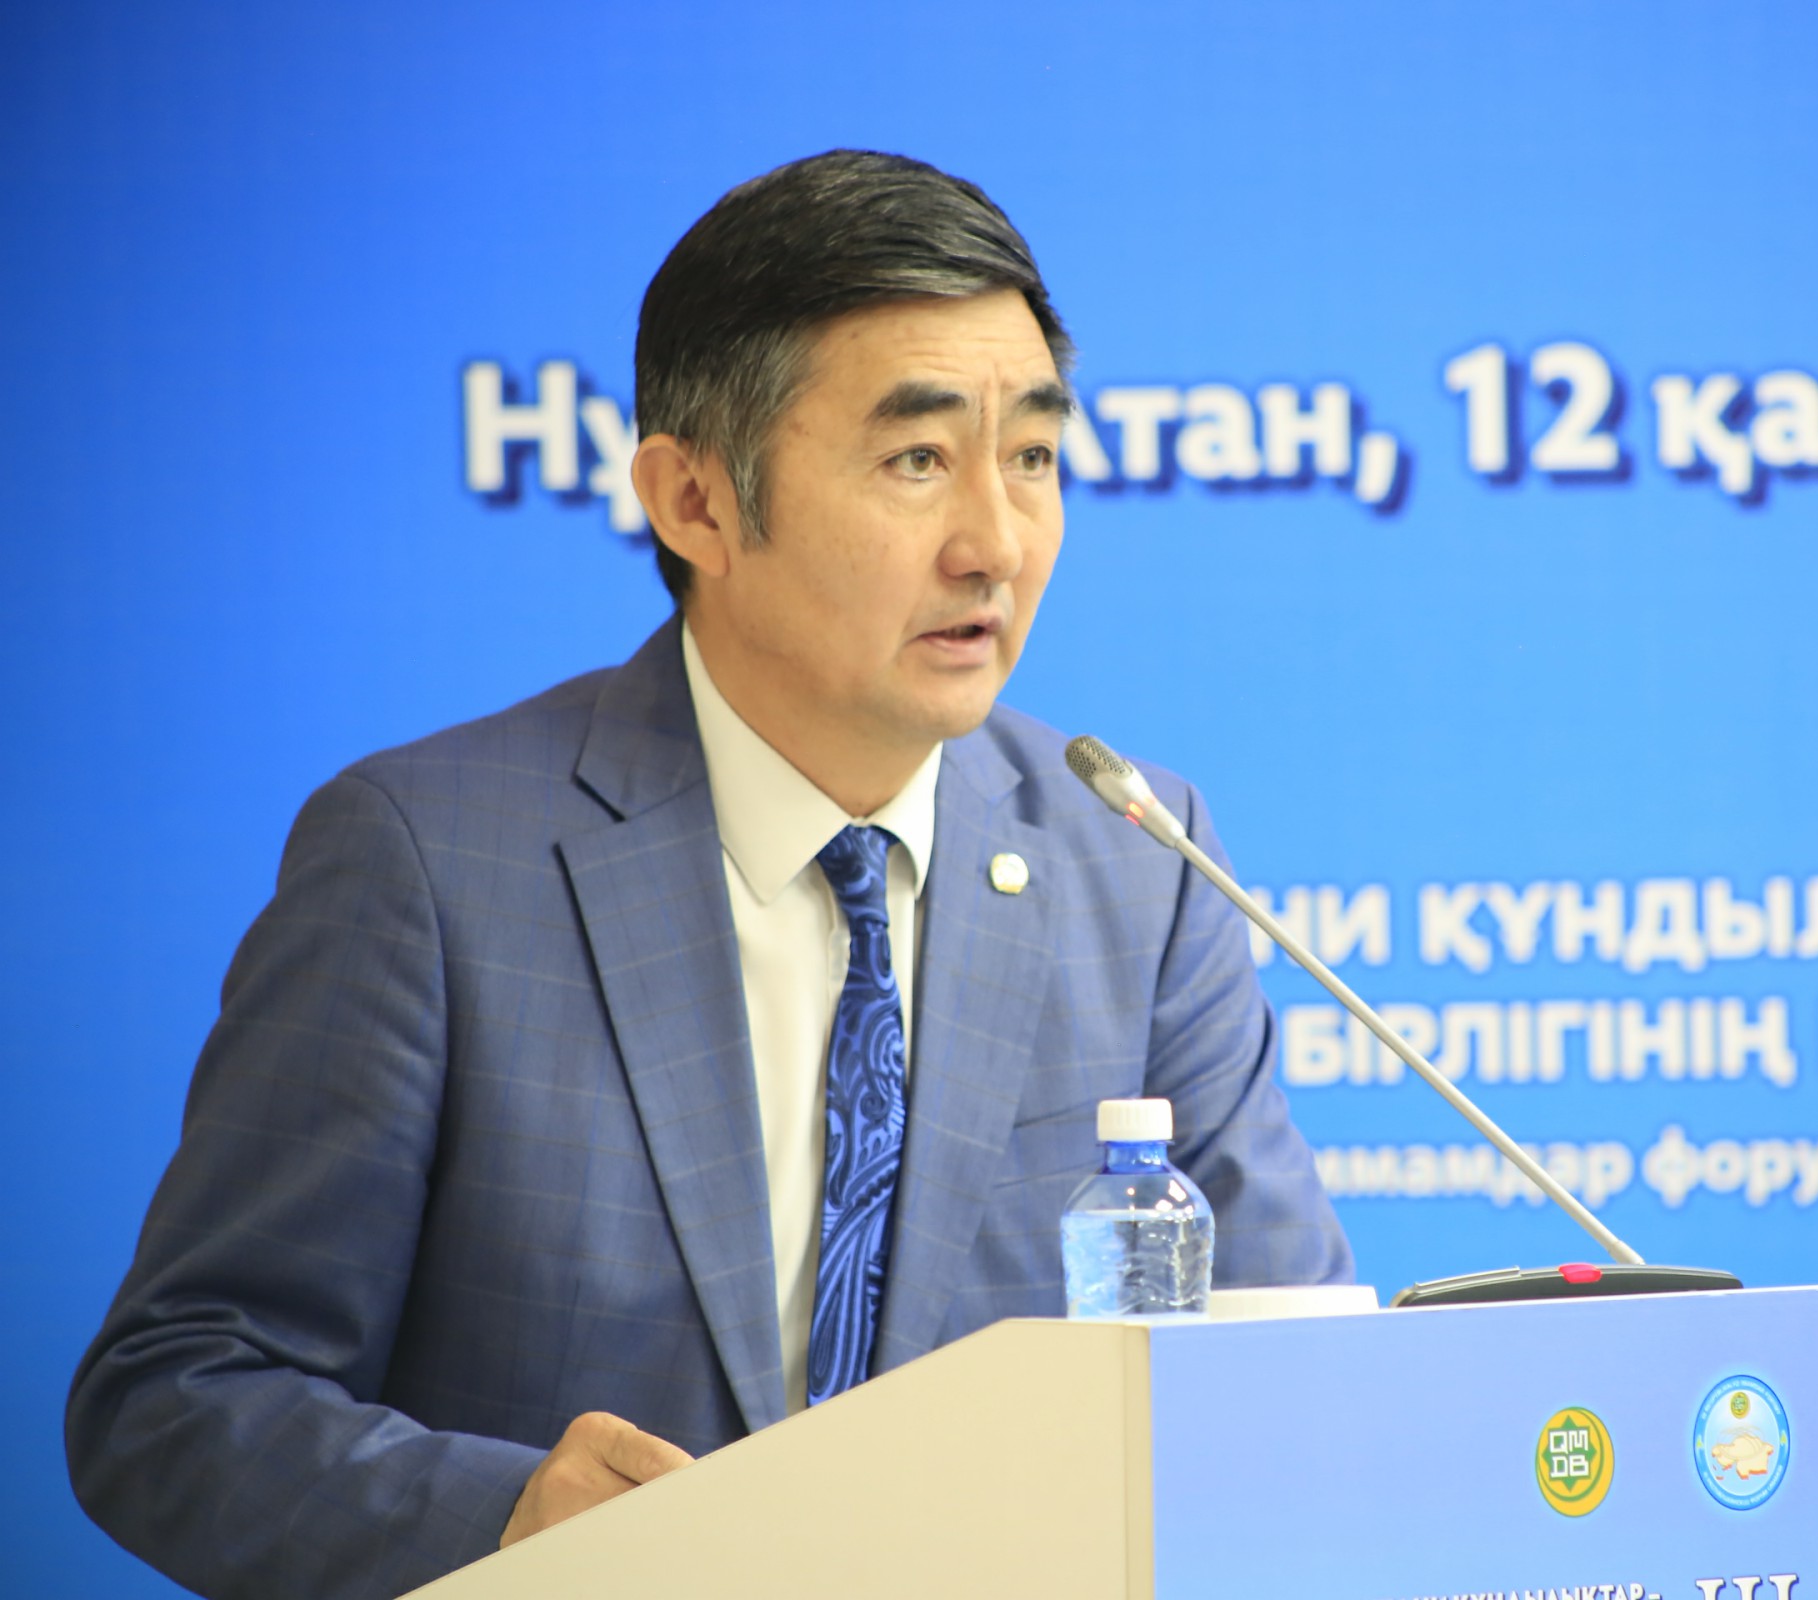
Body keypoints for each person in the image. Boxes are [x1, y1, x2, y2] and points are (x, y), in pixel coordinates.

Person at [66, 149, 1353, 1600]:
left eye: (1034, 457)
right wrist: (500, 1520)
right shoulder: (428, 865)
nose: (996, 543)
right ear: (693, 502)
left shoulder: (1135, 860)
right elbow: (178, 1397)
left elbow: (1295, 1371)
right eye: (917, 460)